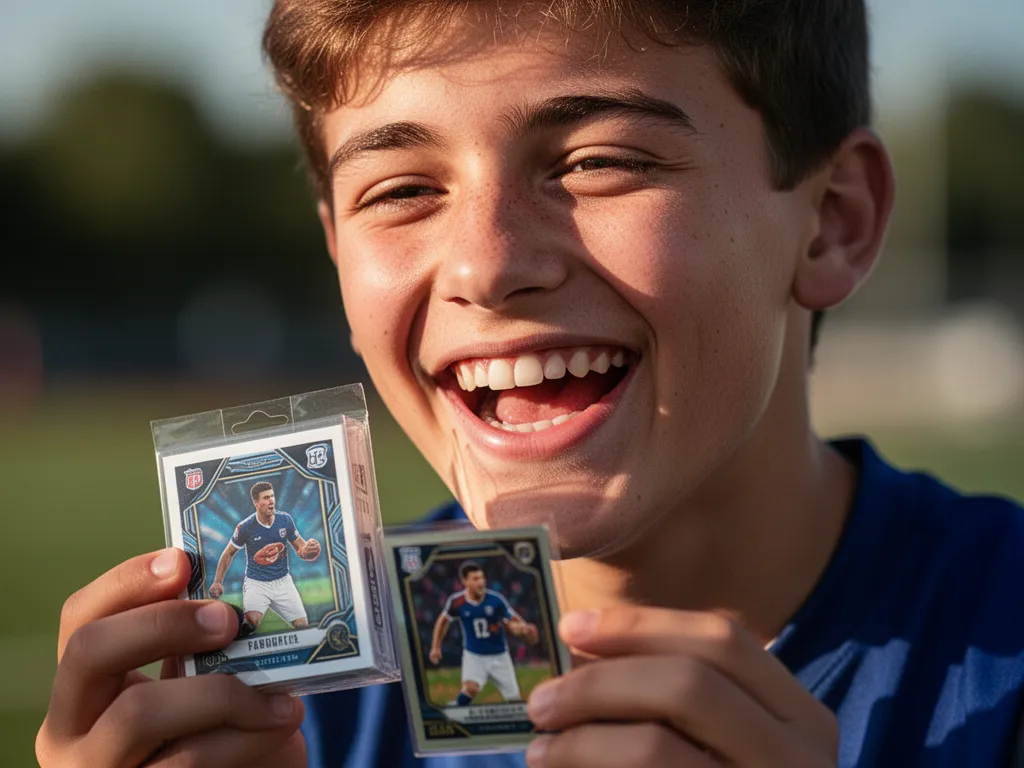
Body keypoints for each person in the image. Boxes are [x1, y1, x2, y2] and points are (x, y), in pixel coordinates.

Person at [34, 1, 1024, 766]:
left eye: (599, 160)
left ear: (833, 221)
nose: (484, 264)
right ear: (335, 249)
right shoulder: (284, 708)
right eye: (403, 189)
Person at [209, 481, 321, 632]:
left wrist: (310, 550)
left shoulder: (285, 520)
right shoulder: (245, 527)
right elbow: (228, 553)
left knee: (302, 627)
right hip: (257, 583)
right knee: (251, 623)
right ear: (256, 503)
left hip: (283, 582)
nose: (272, 501)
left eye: (273, 496)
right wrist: (217, 581)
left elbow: (301, 549)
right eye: (266, 498)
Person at [429, 562, 539, 706]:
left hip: (499, 656)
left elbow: (515, 620)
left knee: (514, 700)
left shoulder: (496, 600)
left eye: (482, 578)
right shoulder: (457, 602)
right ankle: (453, 714)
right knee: (470, 689)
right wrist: (436, 647)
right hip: (474, 655)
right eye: (475, 579)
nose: (481, 582)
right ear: (465, 582)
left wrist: (523, 629)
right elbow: (442, 621)